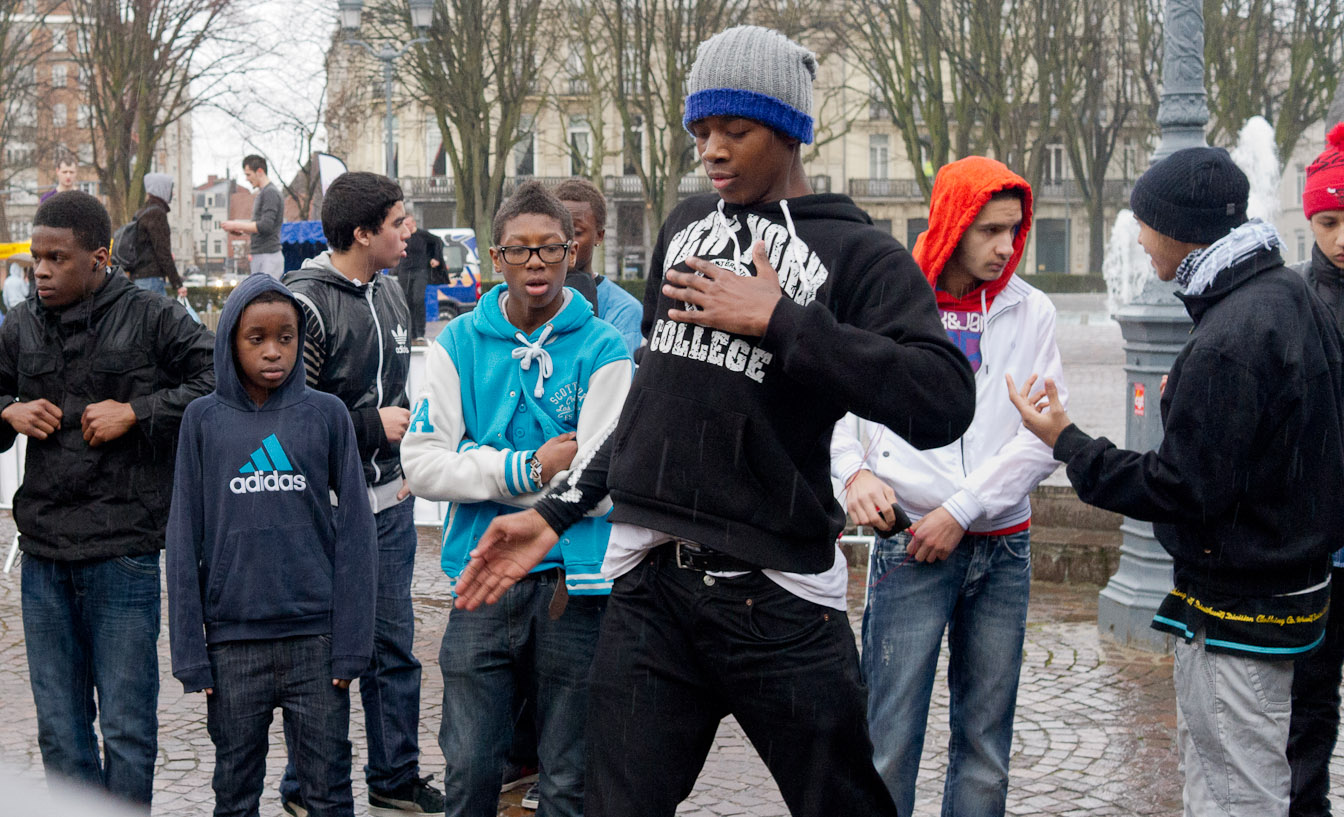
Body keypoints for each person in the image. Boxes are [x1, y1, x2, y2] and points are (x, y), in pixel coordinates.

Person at [452, 26, 976, 817]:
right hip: (651, 593)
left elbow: (943, 398)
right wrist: (555, 514)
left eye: (737, 130)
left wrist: (785, 322)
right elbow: (650, 398)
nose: (713, 151)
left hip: (778, 597)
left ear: (791, 129)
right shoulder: (688, 223)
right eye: (702, 132)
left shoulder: (858, 252)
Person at [1008, 146, 1344, 817]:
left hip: (1240, 607)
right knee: (1270, 781)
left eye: (1144, 222)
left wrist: (1066, 440)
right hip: (1292, 590)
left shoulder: (1230, 337)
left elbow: (1181, 488)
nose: (1136, 237)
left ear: (1181, 229)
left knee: (1232, 792)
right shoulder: (1286, 294)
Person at [0, 190, 215, 806]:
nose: (40, 271)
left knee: (126, 726)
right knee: (60, 729)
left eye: (55, 258)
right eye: (33, 260)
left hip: (123, 551)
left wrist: (138, 411)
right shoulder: (21, 323)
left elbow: (214, 380)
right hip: (44, 552)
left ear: (98, 258)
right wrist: (8, 410)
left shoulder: (153, 316)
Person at [831, 157, 1060, 817]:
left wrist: (963, 508)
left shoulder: (1031, 310)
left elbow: (1043, 434)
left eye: (1014, 229)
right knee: (888, 739)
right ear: (953, 224)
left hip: (1002, 546)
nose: (1005, 246)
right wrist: (854, 471)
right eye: (988, 229)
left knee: (986, 744)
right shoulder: (891, 305)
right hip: (907, 545)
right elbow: (838, 403)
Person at [402, 181, 633, 817]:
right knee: (472, 769)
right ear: (496, 259)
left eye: (551, 249)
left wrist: (472, 458)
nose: (536, 263)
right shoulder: (458, 346)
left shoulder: (606, 351)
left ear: (572, 254)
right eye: (519, 250)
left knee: (567, 778)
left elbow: (607, 481)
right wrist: (528, 466)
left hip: (575, 586)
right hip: (482, 581)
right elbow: (422, 465)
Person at [167, 275, 377, 817]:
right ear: (229, 342)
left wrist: (351, 644)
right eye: (255, 338)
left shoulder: (326, 415)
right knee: (234, 795)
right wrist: (193, 655)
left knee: (329, 792)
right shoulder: (203, 421)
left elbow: (356, 530)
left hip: (316, 644)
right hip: (233, 649)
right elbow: (182, 537)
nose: (272, 351)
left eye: (286, 338)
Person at [280, 172, 441, 814]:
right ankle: (309, 790)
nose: (410, 232)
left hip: (389, 504)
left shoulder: (394, 292)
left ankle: (395, 779)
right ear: (362, 233)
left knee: (393, 649)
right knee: (325, 657)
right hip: (326, 515)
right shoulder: (305, 303)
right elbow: (288, 419)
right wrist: (372, 426)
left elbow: (393, 393)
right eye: (399, 222)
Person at [1293, 121, 1344, 817]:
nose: (1342, 237)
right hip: (1318, 546)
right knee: (1309, 703)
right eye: (1329, 222)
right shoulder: (1296, 298)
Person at [554, 179, 643, 351]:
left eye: (577, 232)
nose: (566, 242)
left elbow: (620, 374)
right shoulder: (523, 297)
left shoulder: (625, 310)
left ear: (599, 236)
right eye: (557, 232)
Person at [223, 154, 284, 277]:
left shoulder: (270, 193)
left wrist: (236, 224)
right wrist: (242, 230)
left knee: (266, 295)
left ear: (260, 171)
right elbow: (264, 228)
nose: (246, 179)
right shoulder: (263, 193)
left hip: (268, 256)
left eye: (248, 174)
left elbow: (266, 226)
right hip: (263, 255)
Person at [125, 172, 184, 297]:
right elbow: (162, 251)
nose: (172, 193)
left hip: (139, 277)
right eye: (170, 189)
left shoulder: (142, 212)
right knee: (155, 316)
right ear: (161, 189)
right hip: (151, 279)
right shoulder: (156, 214)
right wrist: (178, 284)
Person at [396, 213, 446, 344]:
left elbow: (438, 242)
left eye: (407, 224)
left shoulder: (424, 235)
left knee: (418, 299)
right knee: (406, 302)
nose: (405, 227)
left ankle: (420, 332)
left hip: (420, 271)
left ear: (413, 223)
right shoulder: (401, 236)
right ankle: (410, 332)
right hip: (405, 272)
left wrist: (436, 258)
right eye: (403, 224)